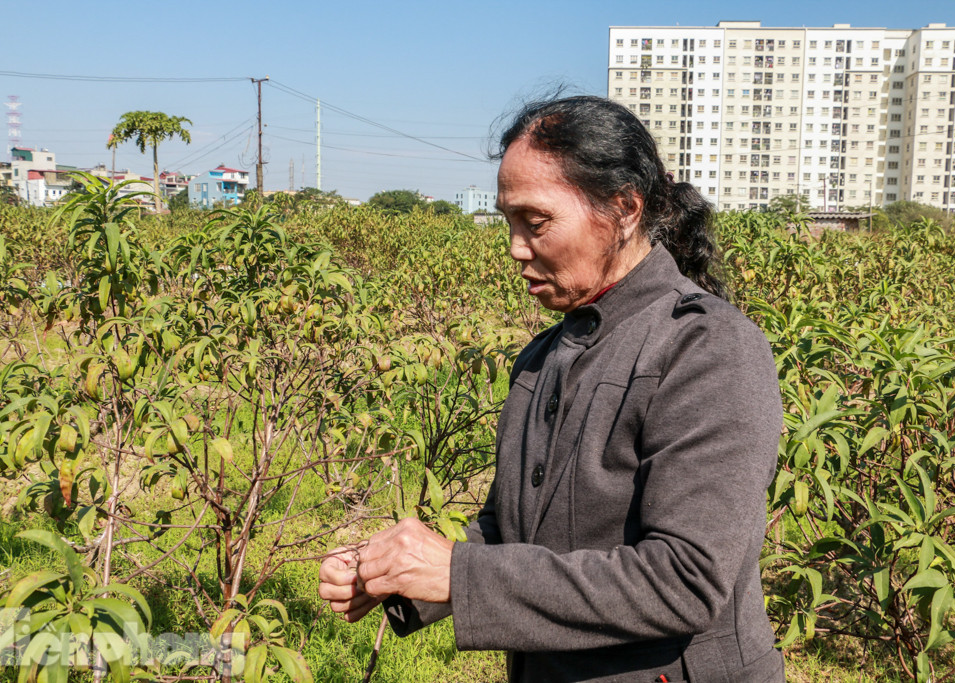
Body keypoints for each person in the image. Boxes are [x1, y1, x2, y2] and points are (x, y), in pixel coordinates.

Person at [318, 95, 785, 682]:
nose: (515, 248)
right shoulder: (542, 357)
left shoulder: (708, 348)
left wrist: (457, 575)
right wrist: (399, 577)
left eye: (535, 222)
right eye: (508, 222)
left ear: (623, 209)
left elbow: (685, 579)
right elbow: (509, 530)